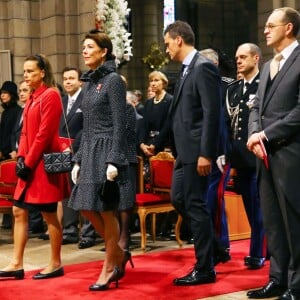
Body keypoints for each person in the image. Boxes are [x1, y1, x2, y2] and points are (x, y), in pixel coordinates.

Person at [68, 29, 130, 291]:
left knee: (106, 209)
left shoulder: (114, 80)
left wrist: (115, 159)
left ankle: (109, 268)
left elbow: (121, 122)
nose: (84, 51)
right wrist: (79, 159)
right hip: (91, 149)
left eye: (90, 46)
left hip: (108, 151)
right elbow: (88, 125)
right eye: (83, 46)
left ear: (104, 51)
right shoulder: (90, 82)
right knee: (84, 206)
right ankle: (118, 254)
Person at [247, 7, 300, 300]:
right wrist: (255, 132)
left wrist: (266, 134)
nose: (265, 30)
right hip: (264, 155)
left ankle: (296, 284)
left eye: (271, 25)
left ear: (288, 28)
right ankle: (277, 279)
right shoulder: (268, 65)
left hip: (290, 155)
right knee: (273, 221)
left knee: (293, 221)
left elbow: (299, 112)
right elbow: (257, 106)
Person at [0, 54, 69, 280]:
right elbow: (25, 132)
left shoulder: (51, 95)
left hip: (42, 166)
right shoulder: (32, 96)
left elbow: (44, 134)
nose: (26, 75)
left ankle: (56, 263)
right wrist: (21, 157)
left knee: (49, 215)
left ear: (42, 72)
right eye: (24, 72)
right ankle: (16, 264)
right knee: (18, 210)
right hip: (29, 162)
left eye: (30, 71)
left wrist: (27, 163)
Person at [164, 20, 222, 285]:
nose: (166, 50)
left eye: (167, 44)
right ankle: (215, 250)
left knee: (195, 205)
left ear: (179, 39)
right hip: (183, 151)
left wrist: (205, 154)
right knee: (179, 199)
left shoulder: (203, 67)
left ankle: (205, 268)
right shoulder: (187, 69)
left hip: (197, 151)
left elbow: (212, 113)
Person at [224, 43, 266, 270]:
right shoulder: (233, 89)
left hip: (258, 155)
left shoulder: (264, 86)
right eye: (236, 57)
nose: (238, 61)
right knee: (250, 205)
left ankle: (257, 252)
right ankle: (264, 249)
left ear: (256, 58)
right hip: (238, 156)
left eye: (243, 57)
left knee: (258, 205)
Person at [199, 48, 233, 265]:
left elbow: (224, 120)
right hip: (204, 151)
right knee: (205, 202)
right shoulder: (202, 84)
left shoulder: (227, 86)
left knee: (215, 201)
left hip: (222, 151)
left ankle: (222, 245)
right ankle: (213, 245)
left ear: (213, 64)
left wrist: (222, 150)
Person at [58, 66, 97, 248]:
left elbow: (86, 127)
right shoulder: (62, 101)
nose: (67, 82)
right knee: (67, 192)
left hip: (83, 150)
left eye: (71, 78)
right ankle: (70, 231)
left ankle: (88, 234)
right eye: (65, 78)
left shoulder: (86, 99)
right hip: (63, 153)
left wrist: (72, 147)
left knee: (84, 192)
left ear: (80, 81)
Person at [10, 80, 44, 235]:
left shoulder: (40, 104)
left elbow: (39, 135)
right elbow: (18, 133)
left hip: (35, 156)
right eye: (20, 91)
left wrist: (27, 157)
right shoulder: (22, 110)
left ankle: (36, 224)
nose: (21, 93)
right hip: (22, 155)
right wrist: (17, 151)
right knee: (19, 205)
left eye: (25, 90)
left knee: (41, 203)